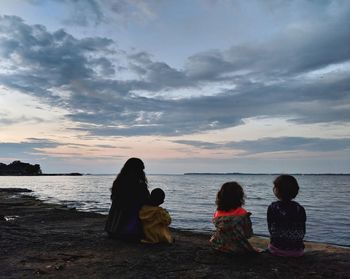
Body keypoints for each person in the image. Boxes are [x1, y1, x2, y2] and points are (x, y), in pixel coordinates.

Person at [105, 158, 150, 241]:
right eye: (141, 169)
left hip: (112, 228)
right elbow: (145, 200)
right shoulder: (139, 184)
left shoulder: (119, 182)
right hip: (127, 229)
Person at [210, 182, 256, 254]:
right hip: (238, 248)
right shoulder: (243, 213)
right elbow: (248, 234)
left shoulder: (217, 213)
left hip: (219, 244)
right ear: (240, 197)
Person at [267, 174, 306, 257]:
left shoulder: (272, 207)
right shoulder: (300, 208)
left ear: (277, 190)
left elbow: (270, 230)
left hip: (277, 250)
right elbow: (303, 231)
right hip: (298, 251)